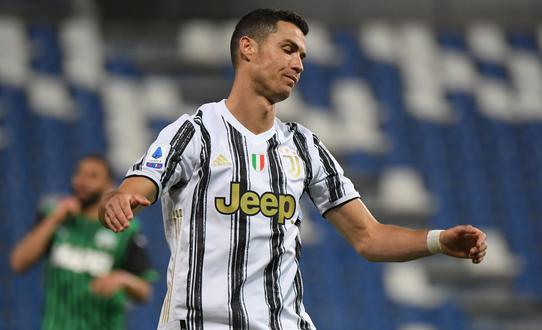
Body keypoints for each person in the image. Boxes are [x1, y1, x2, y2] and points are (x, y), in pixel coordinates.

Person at [98, 8, 488, 330]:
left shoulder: (303, 145)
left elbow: (369, 237)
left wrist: (438, 241)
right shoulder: (194, 133)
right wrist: (119, 199)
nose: (298, 64)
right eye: (288, 49)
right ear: (247, 49)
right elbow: (137, 187)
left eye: (302, 55)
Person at [11, 154, 157, 330]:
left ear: (109, 186)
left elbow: (145, 291)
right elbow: (18, 262)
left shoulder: (125, 227)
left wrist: (123, 279)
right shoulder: (55, 216)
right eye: (79, 174)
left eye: (93, 176)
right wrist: (55, 218)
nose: (82, 181)